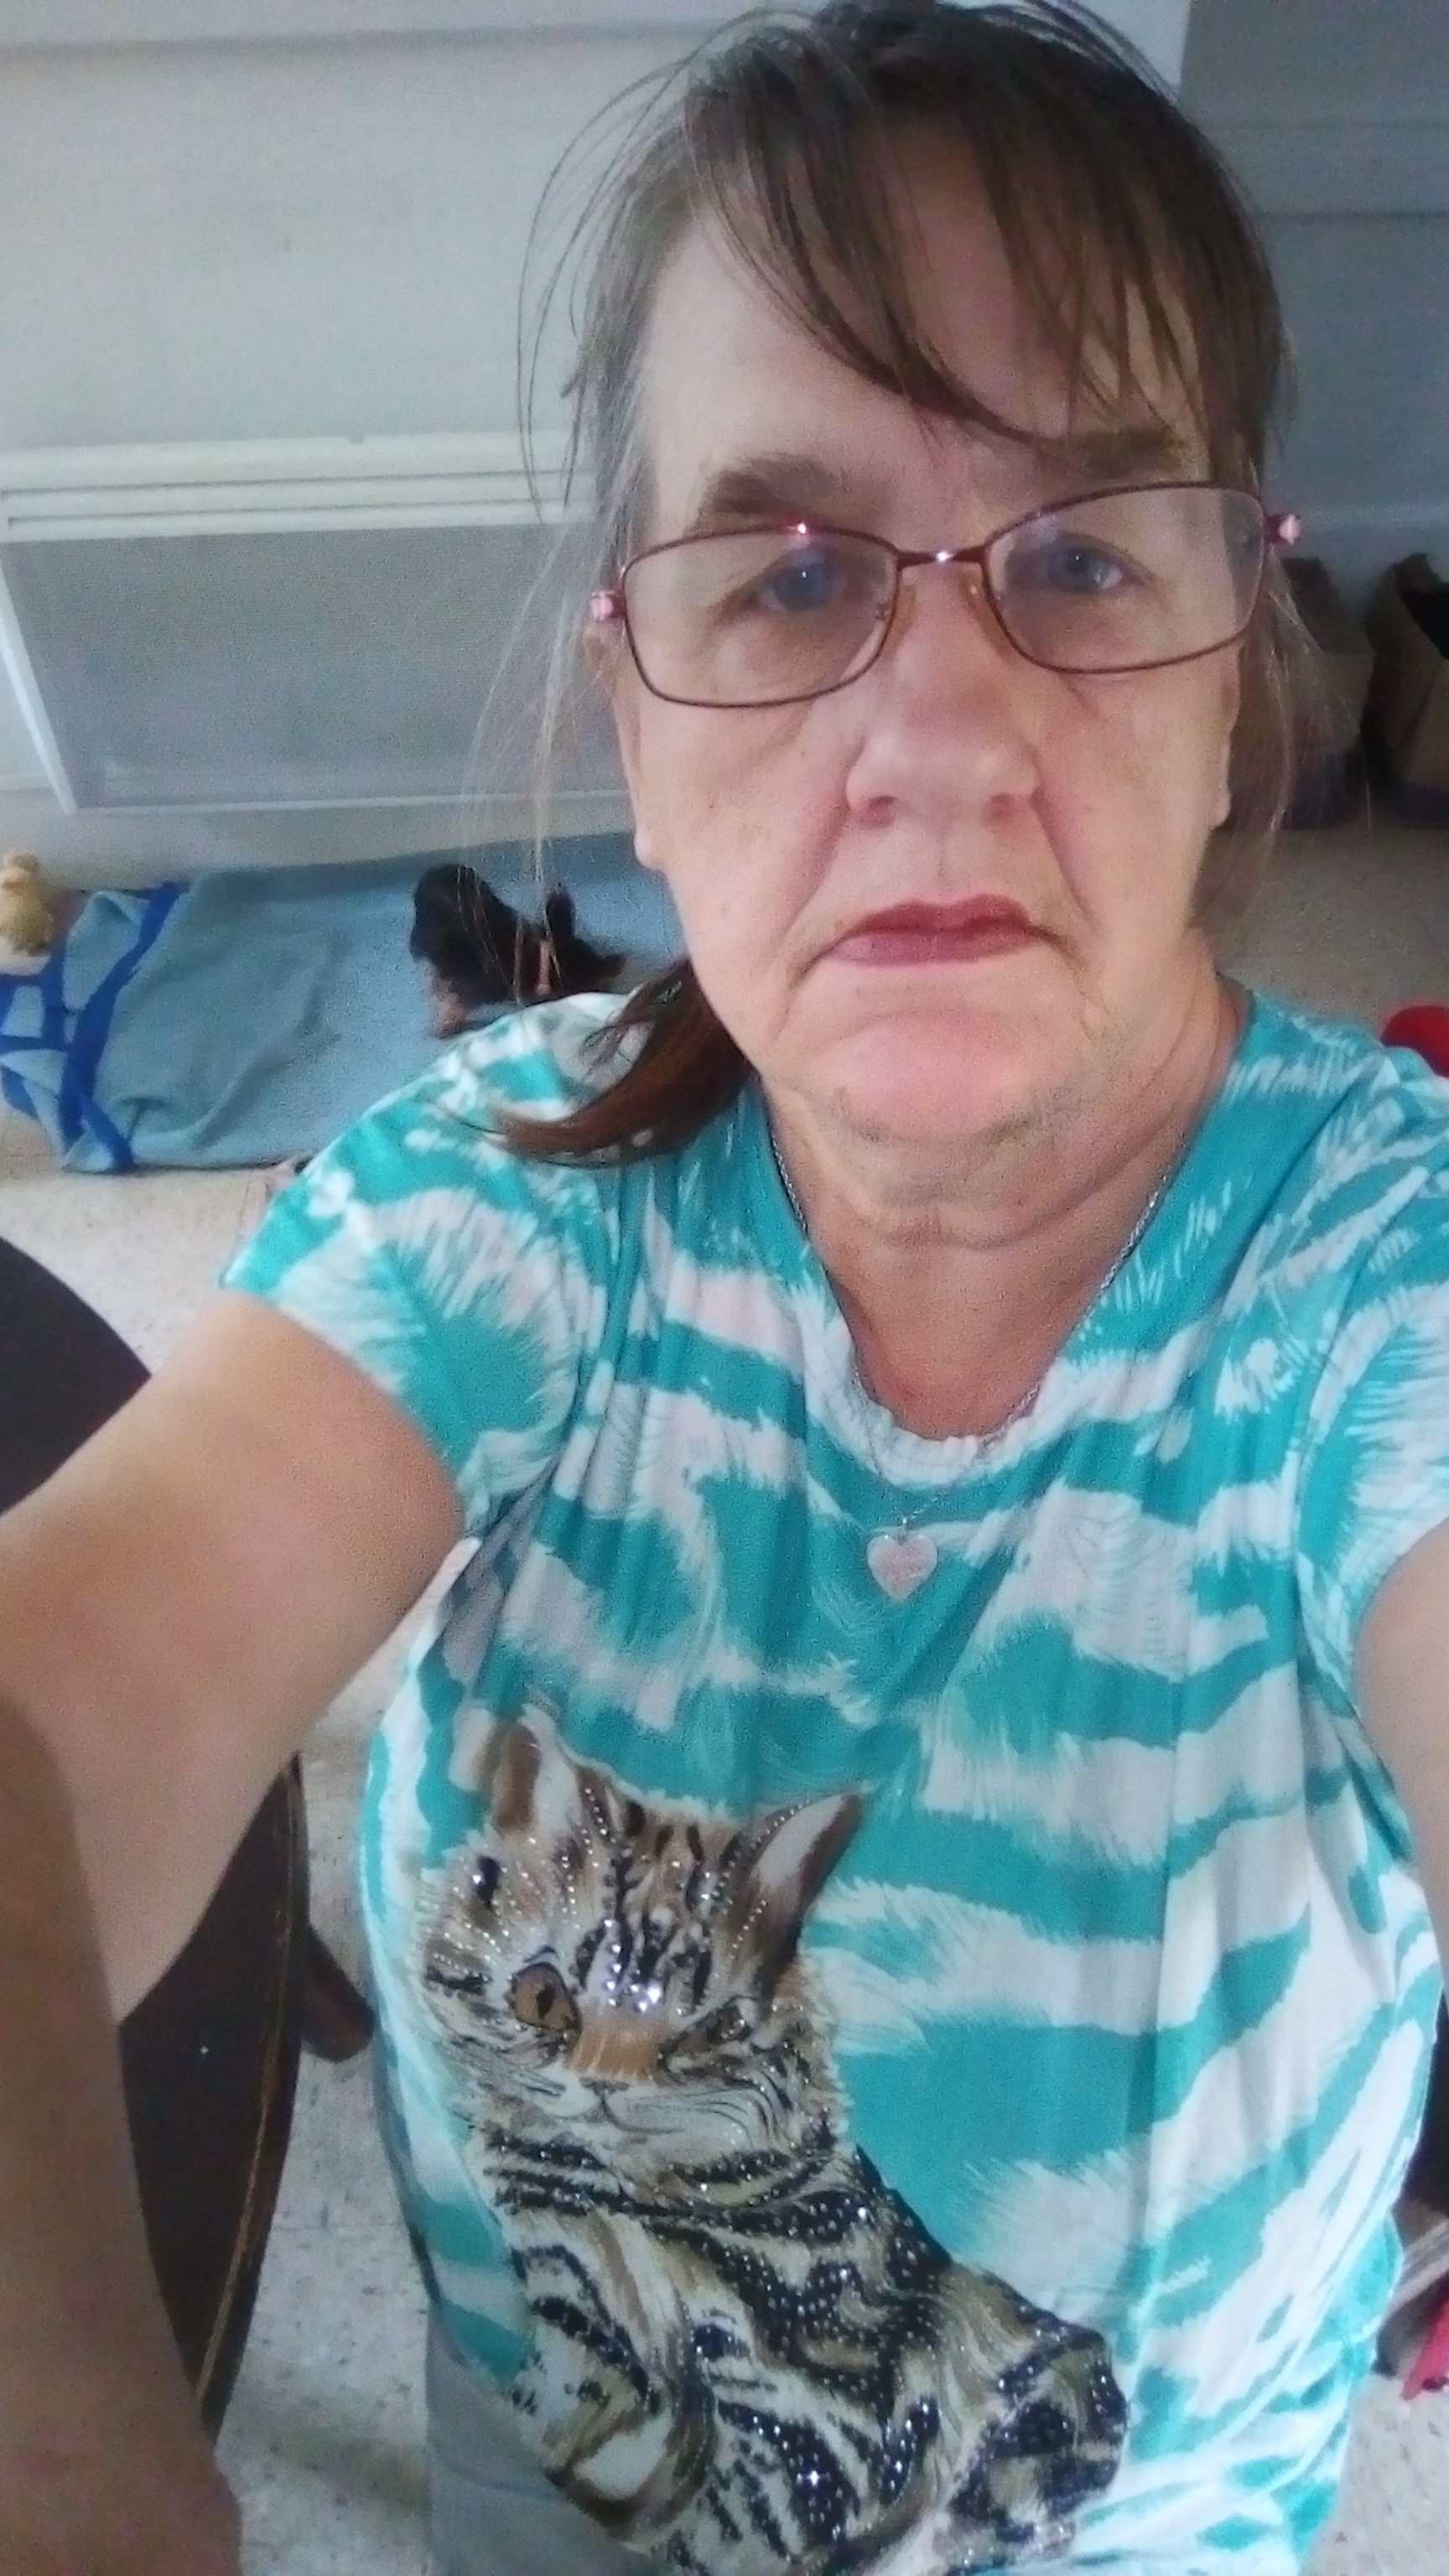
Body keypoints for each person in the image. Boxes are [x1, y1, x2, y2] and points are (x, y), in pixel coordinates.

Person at [2, 3, 1447, 2569]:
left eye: (1085, 557)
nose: (940, 731)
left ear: (1241, 673)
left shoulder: (1386, 1284)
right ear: (640, 730)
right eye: (788, 576)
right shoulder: (498, 1196)